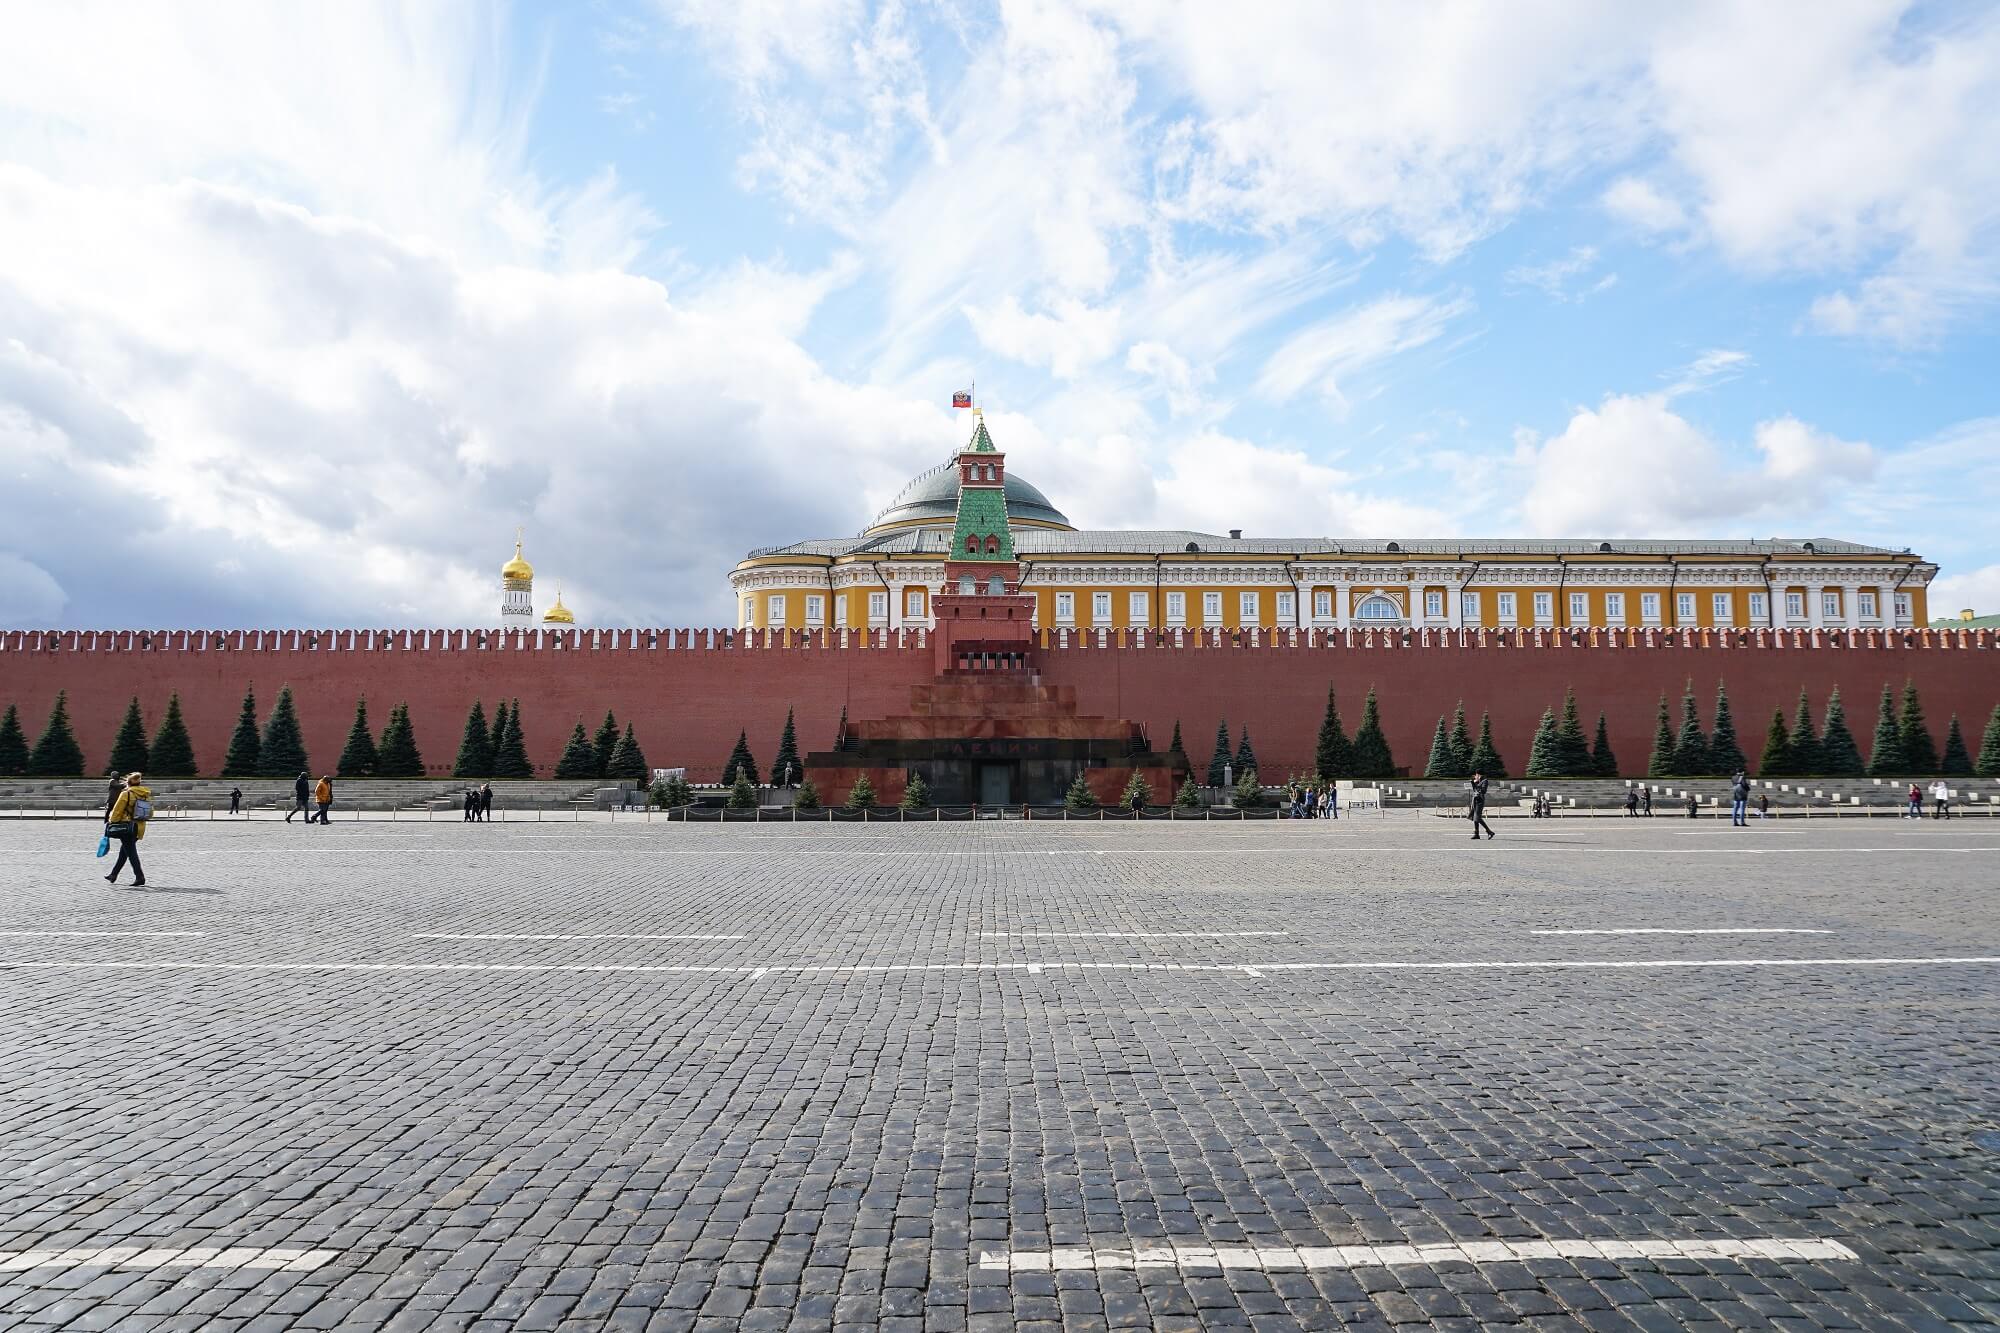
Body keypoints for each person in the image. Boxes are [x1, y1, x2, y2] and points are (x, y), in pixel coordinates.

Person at [103, 771, 150, 887]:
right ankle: (113, 874)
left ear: (128, 783)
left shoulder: (126, 794)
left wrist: (111, 822)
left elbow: (117, 811)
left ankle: (140, 877)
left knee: (131, 853)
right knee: (124, 851)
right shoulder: (145, 794)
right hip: (139, 826)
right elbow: (150, 812)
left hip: (127, 827)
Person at [1468, 771, 1495, 840]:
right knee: (1475, 817)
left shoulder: (1485, 781)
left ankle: (1489, 831)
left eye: (1476, 774)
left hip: (1480, 800)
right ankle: (1476, 834)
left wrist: (1475, 783)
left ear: (1479, 774)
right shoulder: (1478, 781)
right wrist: (1473, 782)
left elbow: (1483, 791)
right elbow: (1475, 790)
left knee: (1477, 817)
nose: (1475, 776)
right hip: (1475, 800)